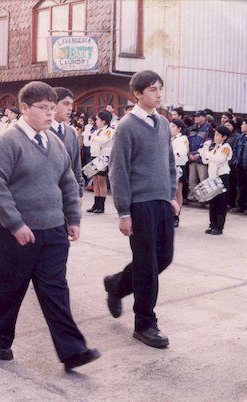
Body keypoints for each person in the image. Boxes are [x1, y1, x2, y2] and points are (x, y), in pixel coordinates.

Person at [0, 80, 100, 371]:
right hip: (13, 230)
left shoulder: (54, 142)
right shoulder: (5, 142)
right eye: (43, 108)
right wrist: (15, 223)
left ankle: (72, 350)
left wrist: (72, 218)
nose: (49, 114)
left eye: (52, 108)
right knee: (11, 285)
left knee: (55, 289)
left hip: (52, 228)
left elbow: (68, 182)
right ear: (24, 108)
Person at [106, 69, 179, 349]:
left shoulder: (162, 123)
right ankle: (145, 323)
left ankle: (118, 284)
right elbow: (118, 171)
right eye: (152, 89)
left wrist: (171, 194)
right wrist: (124, 211)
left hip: (161, 202)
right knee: (147, 264)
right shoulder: (126, 126)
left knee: (164, 258)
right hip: (139, 205)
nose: (158, 94)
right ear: (137, 93)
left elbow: (169, 163)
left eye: (160, 88)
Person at [51, 87, 84, 198]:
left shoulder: (71, 132)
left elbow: (76, 165)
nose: (70, 108)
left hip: (68, 195)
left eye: (71, 104)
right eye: (66, 104)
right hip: (47, 196)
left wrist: (79, 193)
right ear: (53, 105)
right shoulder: (41, 132)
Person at [199, 126, 233, 235]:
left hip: (222, 177)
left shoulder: (226, 147)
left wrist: (207, 154)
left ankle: (219, 226)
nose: (216, 137)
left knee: (221, 202)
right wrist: (204, 150)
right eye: (215, 134)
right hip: (212, 177)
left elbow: (220, 159)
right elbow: (205, 161)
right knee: (213, 201)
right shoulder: (215, 147)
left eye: (218, 135)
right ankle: (212, 224)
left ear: (224, 137)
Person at [87, 110, 114, 213]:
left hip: (103, 157)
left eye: (98, 119)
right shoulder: (96, 131)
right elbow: (89, 141)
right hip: (94, 155)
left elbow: (103, 140)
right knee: (95, 180)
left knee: (101, 181)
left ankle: (101, 205)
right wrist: (94, 137)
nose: (96, 121)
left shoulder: (109, 130)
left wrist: (95, 138)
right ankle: (95, 203)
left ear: (104, 121)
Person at [186, 110, 214, 201]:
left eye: (198, 116)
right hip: (191, 157)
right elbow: (187, 142)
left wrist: (199, 154)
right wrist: (189, 153)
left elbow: (208, 143)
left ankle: (204, 198)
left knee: (203, 178)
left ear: (203, 117)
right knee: (192, 179)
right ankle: (192, 197)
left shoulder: (208, 129)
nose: (196, 118)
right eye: (195, 116)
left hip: (201, 158)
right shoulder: (191, 128)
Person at [170, 119, 189, 227]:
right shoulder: (169, 138)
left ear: (179, 129)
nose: (170, 128)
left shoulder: (183, 139)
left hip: (178, 166)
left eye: (173, 126)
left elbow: (181, 152)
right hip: (168, 165)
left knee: (177, 191)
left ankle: (176, 215)